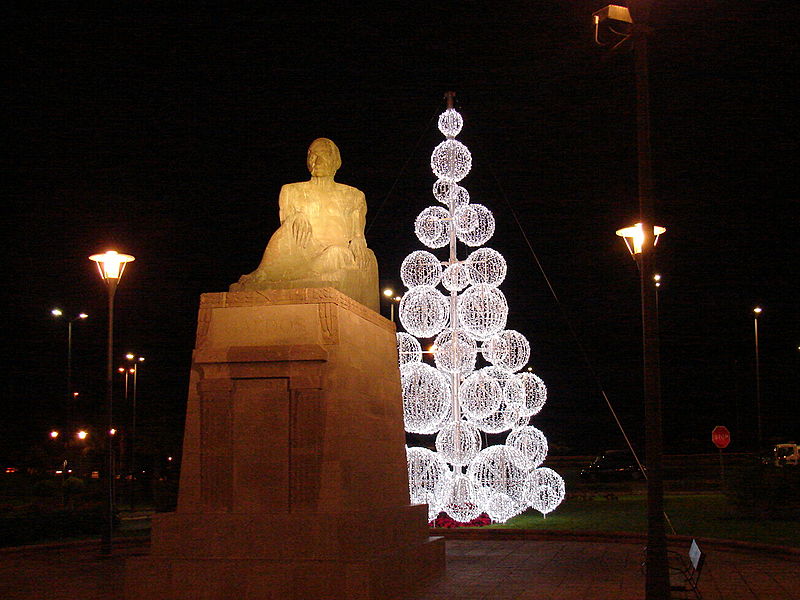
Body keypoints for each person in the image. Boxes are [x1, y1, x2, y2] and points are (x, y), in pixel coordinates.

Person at [231, 138, 379, 311]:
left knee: (336, 254)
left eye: (321, 155)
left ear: (335, 161)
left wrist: (358, 240)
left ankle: (285, 276)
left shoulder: (354, 195)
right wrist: (296, 216)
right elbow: (286, 232)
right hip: (301, 252)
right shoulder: (291, 190)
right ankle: (265, 273)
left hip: (335, 255)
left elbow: (358, 233)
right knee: (294, 222)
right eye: (311, 155)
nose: (315, 160)